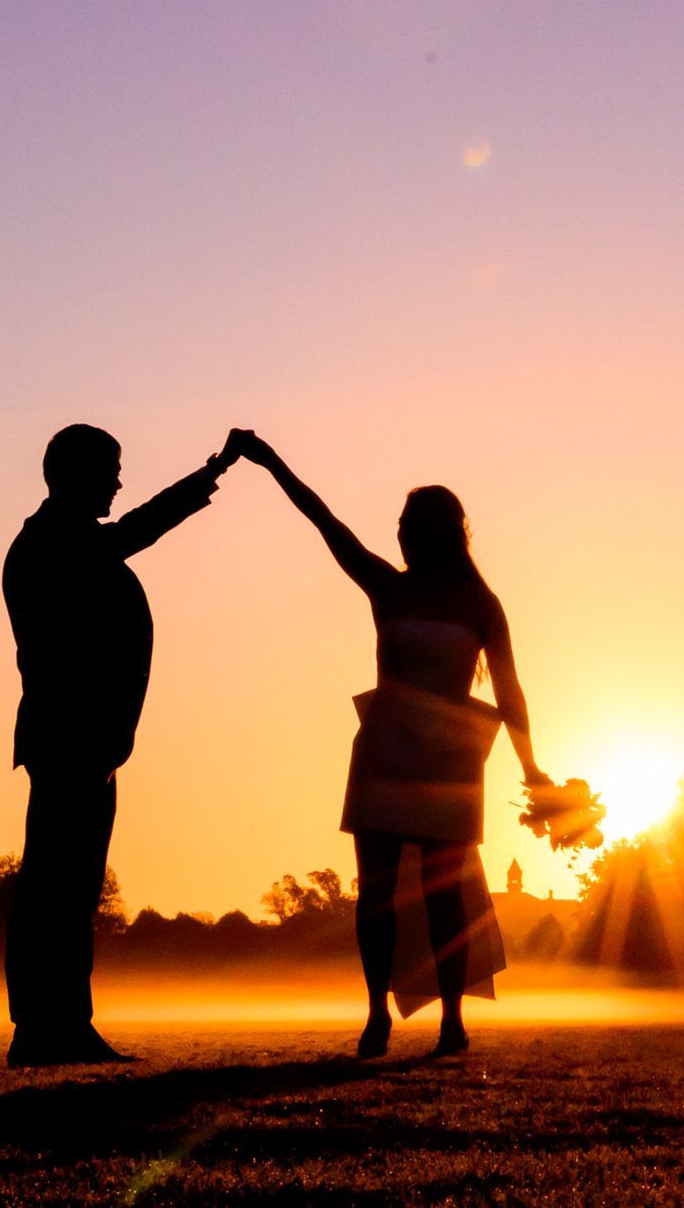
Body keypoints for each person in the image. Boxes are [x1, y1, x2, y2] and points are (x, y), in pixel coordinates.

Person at [230, 429, 545, 1059]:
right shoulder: (388, 587)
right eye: (398, 524)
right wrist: (270, 462)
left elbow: (511, 690)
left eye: (408, 524)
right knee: (376, 894)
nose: (398, 533)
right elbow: (324, 521)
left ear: (438, 531)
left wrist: (534, 769)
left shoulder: (481, 604)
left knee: (444, 896)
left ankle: (452, 1020)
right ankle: (377, 1013)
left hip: (450, 767)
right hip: (383, 754)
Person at [1, 423, 231, 1067]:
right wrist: (210, 474)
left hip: (86, 740)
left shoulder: (61, 539)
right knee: (58, 885)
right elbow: (135, 532)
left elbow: (128, 533)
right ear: (79, 474)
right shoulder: (54, 543)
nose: (120, 481)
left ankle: (59, 1024)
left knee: (69, 886)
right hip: (71, 737)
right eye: (113, 468)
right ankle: (48, 1027)